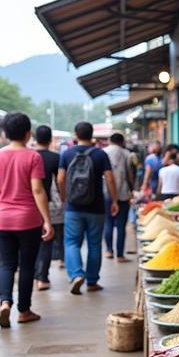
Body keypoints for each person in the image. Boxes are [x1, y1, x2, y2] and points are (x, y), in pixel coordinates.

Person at [0, 112, 53, 327]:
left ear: (4, 133)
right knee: (26, 266)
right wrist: (47, 220)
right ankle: (24, 311)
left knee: (6, 264)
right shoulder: (33, 157)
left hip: (3, 220)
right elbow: (37, 190)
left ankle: (5, 303)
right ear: (28, 133)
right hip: (28, 220)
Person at [58, 121, 117, 295]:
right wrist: (114, 200)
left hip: (73, 207)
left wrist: (64, 197)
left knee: (71, 242)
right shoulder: (100, 154)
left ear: (75, 135)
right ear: (91, 135)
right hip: (96, 207)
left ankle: (76, 274)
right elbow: (110, 179)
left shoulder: (67, 154)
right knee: (94, 244)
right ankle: (92, 281)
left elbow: (61, 179)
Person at [33, 125, 62, 290]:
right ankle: (42, 278)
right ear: (50, 140)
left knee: (30, 242)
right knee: (46, 240)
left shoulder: (29, 155)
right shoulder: (55, 158)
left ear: (35, 138)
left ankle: (32, 274)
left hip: (28, 204)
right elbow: (59, 182)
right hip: (48, 204)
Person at [103, 132, 132, 262]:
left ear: (110, 140)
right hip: (123, 194)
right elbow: (130, 174)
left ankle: (109, 250)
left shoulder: (103, 152)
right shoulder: (127, 154)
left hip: (106, 193)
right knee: (121, 225)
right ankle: (120, 255)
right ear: (122, 141)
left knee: (108, 222)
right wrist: (132, 189)